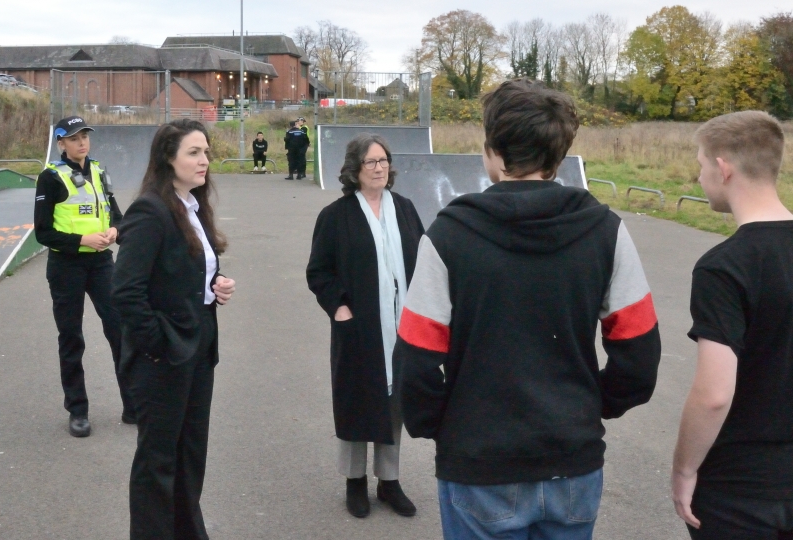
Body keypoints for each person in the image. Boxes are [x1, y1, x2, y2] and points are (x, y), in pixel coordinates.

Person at [394, 79, 661, 539]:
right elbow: (638, 355)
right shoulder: (606, 231)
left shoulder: (448, 236)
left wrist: (439, 426)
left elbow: (416, 359)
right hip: (573, 461)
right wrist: (591, 406)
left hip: (478, 462)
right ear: (559, 155)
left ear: (493, 150)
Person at [112, 119, 236, 540]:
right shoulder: (151, 210)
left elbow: (184, 271)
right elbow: (126, 292)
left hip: (198, 346)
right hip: (164, 355)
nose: (204, 161)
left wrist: (215, 285)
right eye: (193, 153)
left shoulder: (193, 206)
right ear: (169, 158)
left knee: (189, 454)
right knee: (158, 461)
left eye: (205, 152)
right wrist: (158, 345)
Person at [671, 111, 793, 540]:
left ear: (723, 169)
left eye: (702, 164)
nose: (700, 175)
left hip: (741, 491)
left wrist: (684, 470)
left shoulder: (724, 267)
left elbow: (714, 395)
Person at [306, 133, 425, 519]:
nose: (379, 168)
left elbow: (423, 260)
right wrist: (339, 308)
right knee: (357, 399)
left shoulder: (405, 209)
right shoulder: (336, 216)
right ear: (354, 170)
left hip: (401, 325)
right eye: (371, 162)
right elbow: (319, 271)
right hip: (358, 326)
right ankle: (354, 481)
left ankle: (389, 482)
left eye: (384, 161)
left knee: (394, 403)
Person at [34, 115, 134, 437]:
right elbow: (43, 232)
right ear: (60, 142)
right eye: (75, 137)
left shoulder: (99, 171)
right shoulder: (50, 178)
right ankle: (77, 410)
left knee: (120, 329)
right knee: (72, 337)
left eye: (85, 136)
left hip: (102, 262)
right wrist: (81, 241)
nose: (82, 142)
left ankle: (133, 403)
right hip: (66, 266)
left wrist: (116, 230)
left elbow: (116, 213)